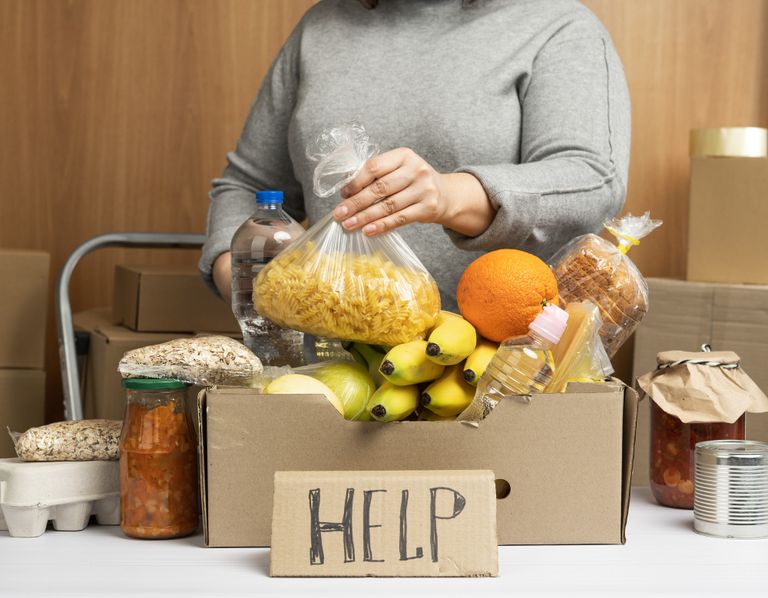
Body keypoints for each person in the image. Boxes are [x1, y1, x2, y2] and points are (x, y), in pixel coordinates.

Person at [200, 0, 630, 311]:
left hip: (498, 373)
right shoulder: (323, 26)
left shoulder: (557, 24)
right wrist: (239, 277)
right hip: (322, 373)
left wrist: (450, 196)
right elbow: (251, 186)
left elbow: (592, 181)